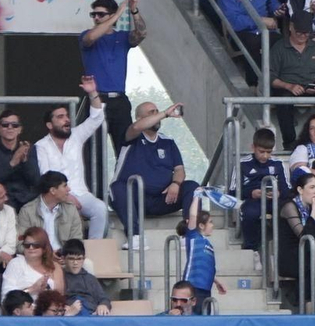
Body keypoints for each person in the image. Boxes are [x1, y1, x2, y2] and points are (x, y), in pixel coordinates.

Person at [111, 101, 198, 251]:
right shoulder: (131, 136)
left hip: (162, 199)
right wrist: (164, 113)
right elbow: (137, 127)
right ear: (139, 118)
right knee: (118, 187)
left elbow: (179, 169)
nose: (157, 116)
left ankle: (188, 234)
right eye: (152, 113)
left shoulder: (168, 142)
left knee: (192, 187)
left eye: (157, 111)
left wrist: (175, 184)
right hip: (134, 200)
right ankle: (136, 236)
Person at [34, 77, 109, 239]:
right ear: (49, 125)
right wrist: (66, 197)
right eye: (60, 117)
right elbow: (47, 177)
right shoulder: (41, 146)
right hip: (55, 196)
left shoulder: (76, 135)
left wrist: (92, 93)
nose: (67, 120)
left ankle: (92, 251)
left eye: (66, 116)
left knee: (100, 208)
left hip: (81, 194)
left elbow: (96, 118)